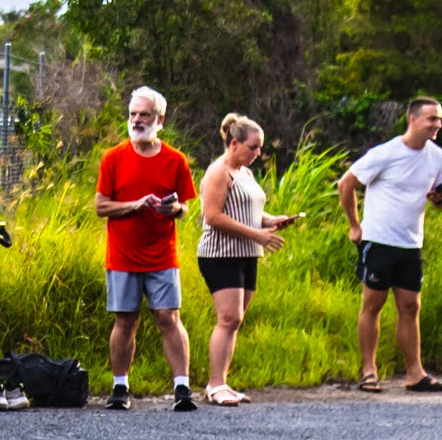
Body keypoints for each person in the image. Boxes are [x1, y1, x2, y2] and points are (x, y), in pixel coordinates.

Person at [340, 96, 442, 393]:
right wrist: (355, 225)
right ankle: (369, 372)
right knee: (373, 304)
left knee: (410, 306)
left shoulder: (436, 156)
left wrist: (440, 199)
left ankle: (415, 374)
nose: (437, 124)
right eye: (432, 119)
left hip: (410, 243)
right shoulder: (386, 153)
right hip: (379, 240)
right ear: (413, 119)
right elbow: (346, 183)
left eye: (440, 119)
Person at [95, 85, 199, 412]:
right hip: (122, 255)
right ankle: (120, 387)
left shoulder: (176, 160)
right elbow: (101, 207)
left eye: (144, 114)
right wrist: (136, 205)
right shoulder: (113, 158)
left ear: (159, 118)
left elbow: (185, 207)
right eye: (133, 114)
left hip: (162, 255)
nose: (138, 120)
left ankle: (182, 388)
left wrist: (175, 210)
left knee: (168, 316)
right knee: (125, 320)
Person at [196, 113, 298, 406]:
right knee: (227, 318)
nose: (257, 154)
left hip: (247, 254)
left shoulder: (246, 173)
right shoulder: (219, 172)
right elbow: (213, 216)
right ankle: (215, 385)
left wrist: (271, 220)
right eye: (253, 147)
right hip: (221, 254)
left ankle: (223, 382)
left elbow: (249, 210)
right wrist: (258, 235)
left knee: (236, 321)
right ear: (234, 143)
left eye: (259, 148)